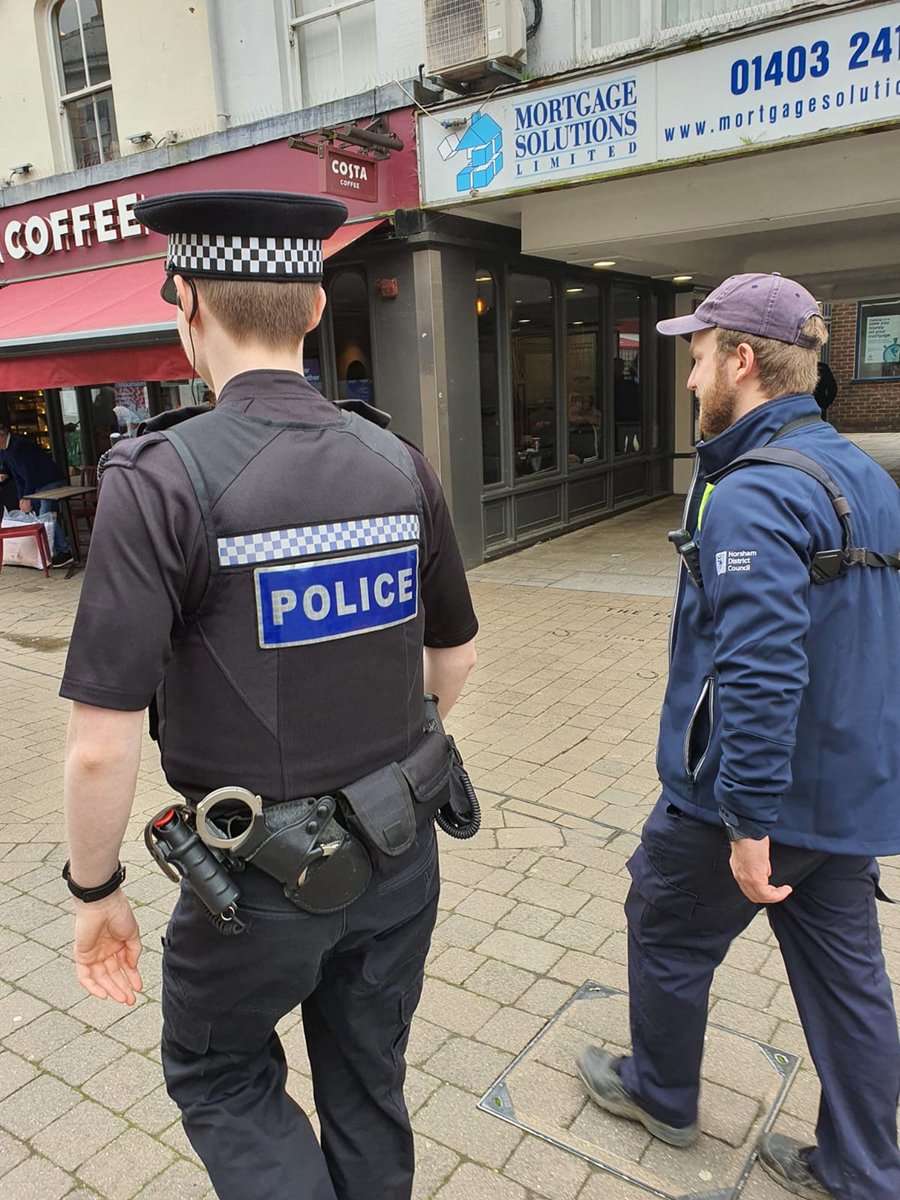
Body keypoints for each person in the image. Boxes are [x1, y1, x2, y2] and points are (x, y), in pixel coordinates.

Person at [59, 190, 479, 1200]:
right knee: (368, 1080)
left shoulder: (161, 477)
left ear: (190, 306)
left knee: (217, 1070)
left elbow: (98, 748)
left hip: (254, 887)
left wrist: (96, 892)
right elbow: (454, 661)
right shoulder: (397, 459)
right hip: (400, 850)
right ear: (314, 308)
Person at [576, 272, 900, 1200]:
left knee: (666, 929)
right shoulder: (868, 476)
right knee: (849, 990)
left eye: (696, 357)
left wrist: (749, 822)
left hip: (748, 804)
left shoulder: (753, 495)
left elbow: (761, 673)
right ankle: (864, 1171)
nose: (688, 380)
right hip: (848, 799)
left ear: (742, 361)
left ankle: (661, 1094)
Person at [0, 422, 73, 565]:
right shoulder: (5, 451)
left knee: (45, 512)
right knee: (39, 513)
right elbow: (18, 477)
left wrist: (26, 496)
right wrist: (22, 498)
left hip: (50, 480)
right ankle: (53, 550)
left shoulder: (19, 446)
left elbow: (30, 473)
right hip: (38, 485)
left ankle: (63, 551)